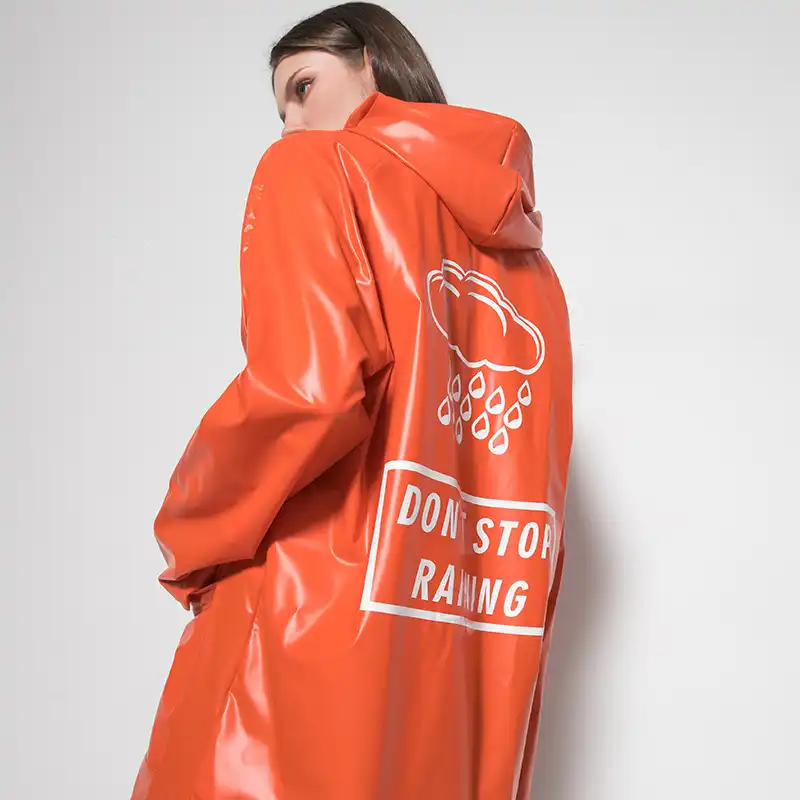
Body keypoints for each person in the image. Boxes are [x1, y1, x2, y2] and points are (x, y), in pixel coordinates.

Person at [132, 3, 573, 798]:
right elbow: (528, 490)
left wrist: (192, 531)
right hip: (459, 660)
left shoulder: (313, 168)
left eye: (303, 87)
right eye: (281, 111)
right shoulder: (532, 274)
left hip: (297, 643)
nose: (291, 126)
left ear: (374, 62)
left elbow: (307, 393)